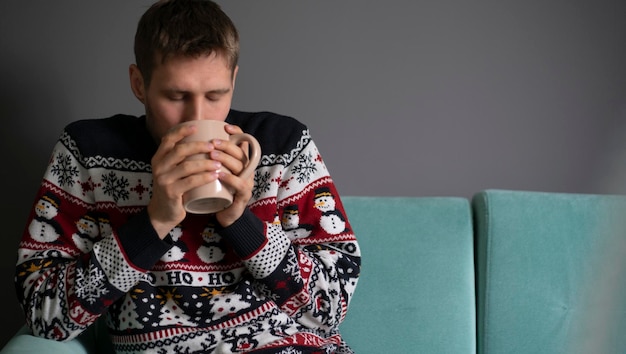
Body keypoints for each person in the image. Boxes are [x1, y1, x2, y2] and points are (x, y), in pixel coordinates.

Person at [14, 1, 361, 353]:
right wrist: (153, 222)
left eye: (216, 95)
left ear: (234, 80)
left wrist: (241, 222)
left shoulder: (282, 144)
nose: (196, 117)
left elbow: (330, 309)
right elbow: (46, 316)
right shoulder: (87, 153)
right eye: (176, 96)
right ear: (139, 83)